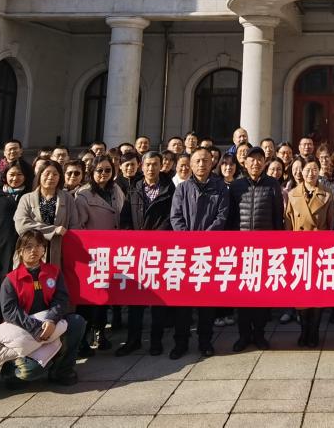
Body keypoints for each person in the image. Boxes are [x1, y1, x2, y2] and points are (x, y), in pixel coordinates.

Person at [0, 230, 85, 387]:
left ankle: (62, 369)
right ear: (20, 251)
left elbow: (61, 299)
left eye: (39, 246)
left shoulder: (54, 272)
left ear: (44, 249)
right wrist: (35, 328)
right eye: (28, 247)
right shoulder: (10, 280)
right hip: (25, 331)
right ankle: (11, 369)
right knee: (29, 373)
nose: (34, 250)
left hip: (51, 325)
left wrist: (51, 320)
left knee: (76, 322)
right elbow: (10, 311)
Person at [170, 148, 230, 359]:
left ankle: (205, 341)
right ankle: (181, 342)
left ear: (212, 162)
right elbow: (176, 217)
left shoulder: (220, 187)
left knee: (207, 301)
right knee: (183, 302)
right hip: (186, 252)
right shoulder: (182, 188)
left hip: (209, 252)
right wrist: (189, 240)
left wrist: (205, 240)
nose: (202, 164)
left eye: (205, 160)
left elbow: (222, 217)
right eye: (197, 161)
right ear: (191, 164)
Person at [115, 151, 171, 355]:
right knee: (135, 299)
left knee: (158, 300)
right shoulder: (135, 189)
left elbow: (170, 218)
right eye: (147, 164)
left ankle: (156, 340)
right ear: (141, 166)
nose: (151, 168)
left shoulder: (169, 189)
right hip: (137, 251)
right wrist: (132, 237)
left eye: (155, 164)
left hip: (159, 250)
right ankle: (133, 340)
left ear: (161, 166)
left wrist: (155, 239)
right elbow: (125, 218)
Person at [229, 147, 284, 351]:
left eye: (260, 159)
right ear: (244, 163)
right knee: (243, 295)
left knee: (261, 295)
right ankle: (244, 335)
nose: (256, 163)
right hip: (242, 250)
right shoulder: (236, 186)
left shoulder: (272, 185)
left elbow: (277, 217)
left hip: (265, 249)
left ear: (264, 163)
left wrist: (277, 246)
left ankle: (259, 334)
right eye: (252, 159)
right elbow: (231, 218)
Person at [74, 156, 126, 352]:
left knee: (105, 295)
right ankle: (82, 336)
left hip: (113, 250)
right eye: (99, 170)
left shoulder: (116, 190)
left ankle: (100, 331)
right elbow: (79, 225)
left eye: (108, 170)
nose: (104, 174)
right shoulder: (83, 195)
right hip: (92, 252)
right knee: (89, 296)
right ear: (92, 172)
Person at [285, 159, 334, 346]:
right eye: (307, 170)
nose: (310, 173)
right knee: (300, 293)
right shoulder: (292, 194)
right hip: (299, 250)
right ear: (301, 172)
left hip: (320, 250)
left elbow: (331, 224)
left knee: (317, 293)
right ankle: (303, 330)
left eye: (314, 169)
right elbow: (288, 223)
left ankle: (314, 331)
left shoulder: (327, 194)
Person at [14, 160, 79, 268]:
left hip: (58, 251)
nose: (51, 177)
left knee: (55, 277)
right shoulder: (26, 198)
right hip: (31, 252)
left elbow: (75, 226)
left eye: (55, 174)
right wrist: (54, 230)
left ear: (60, 177)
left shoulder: (68, 198)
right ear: (39, 176)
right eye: (47, 173)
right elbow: (21, 226)